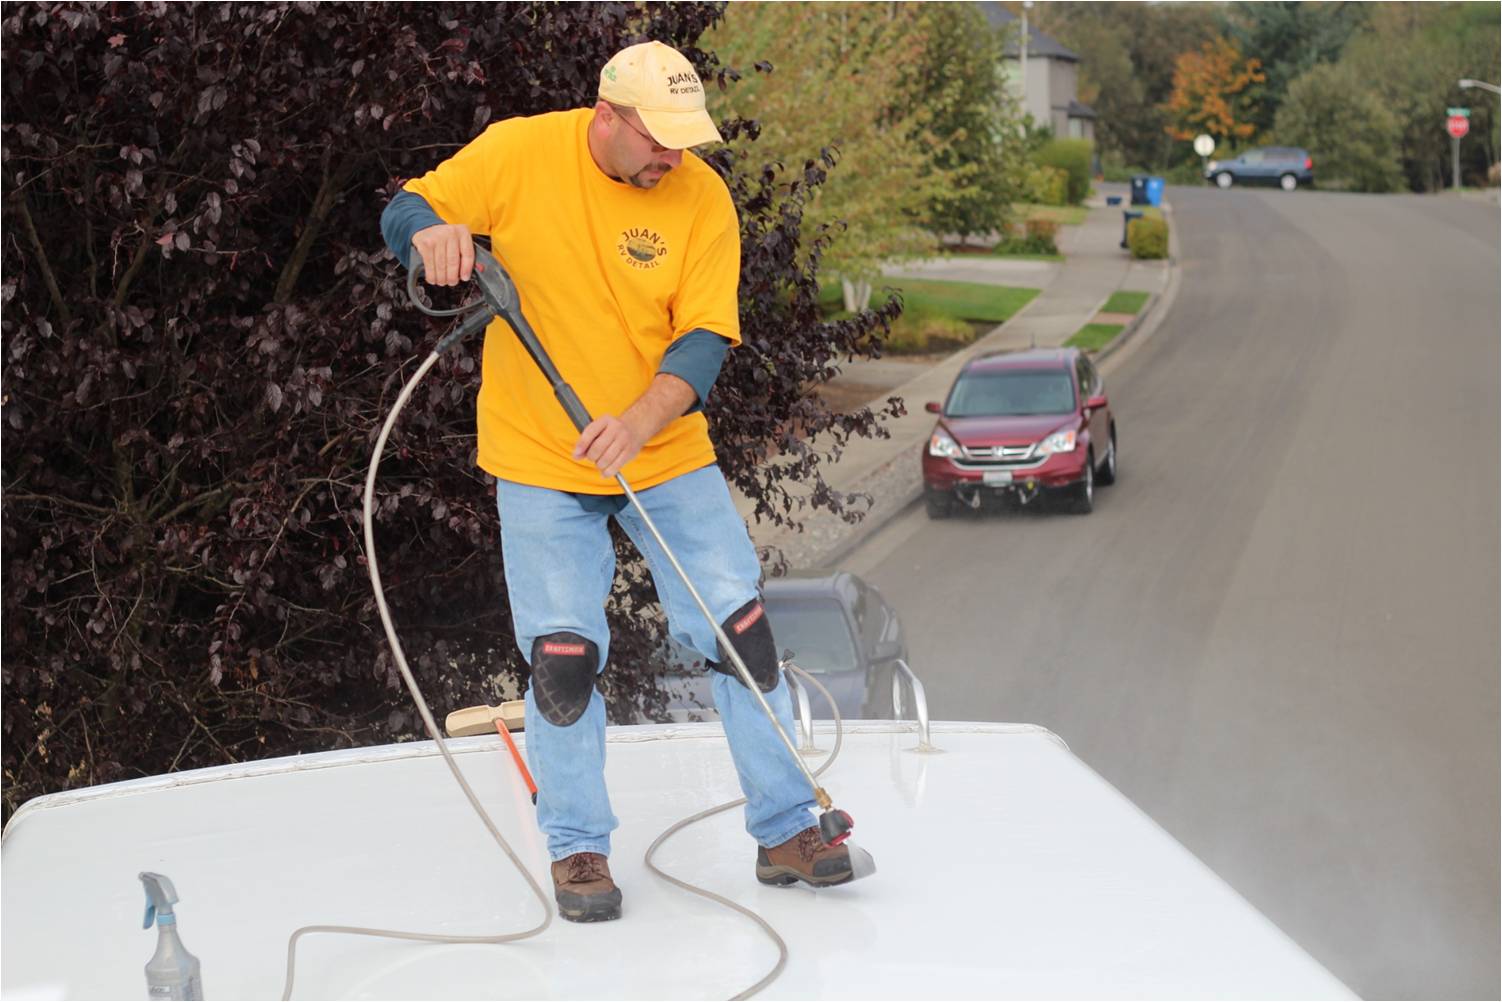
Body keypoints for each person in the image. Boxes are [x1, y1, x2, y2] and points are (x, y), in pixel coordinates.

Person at [379, 41, 855, 923]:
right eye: (657, 138)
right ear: (607, 116)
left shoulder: (701, 197)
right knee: (563, 660)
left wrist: (637, 422)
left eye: (684, 139)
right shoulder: (520, 152)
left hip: (664, 454)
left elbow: (703, 342)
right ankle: (577, 848)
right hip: (540, 457)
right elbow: (407, 206)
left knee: (740, 634)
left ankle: (790, 829)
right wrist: (430, 233)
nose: (673, 156)